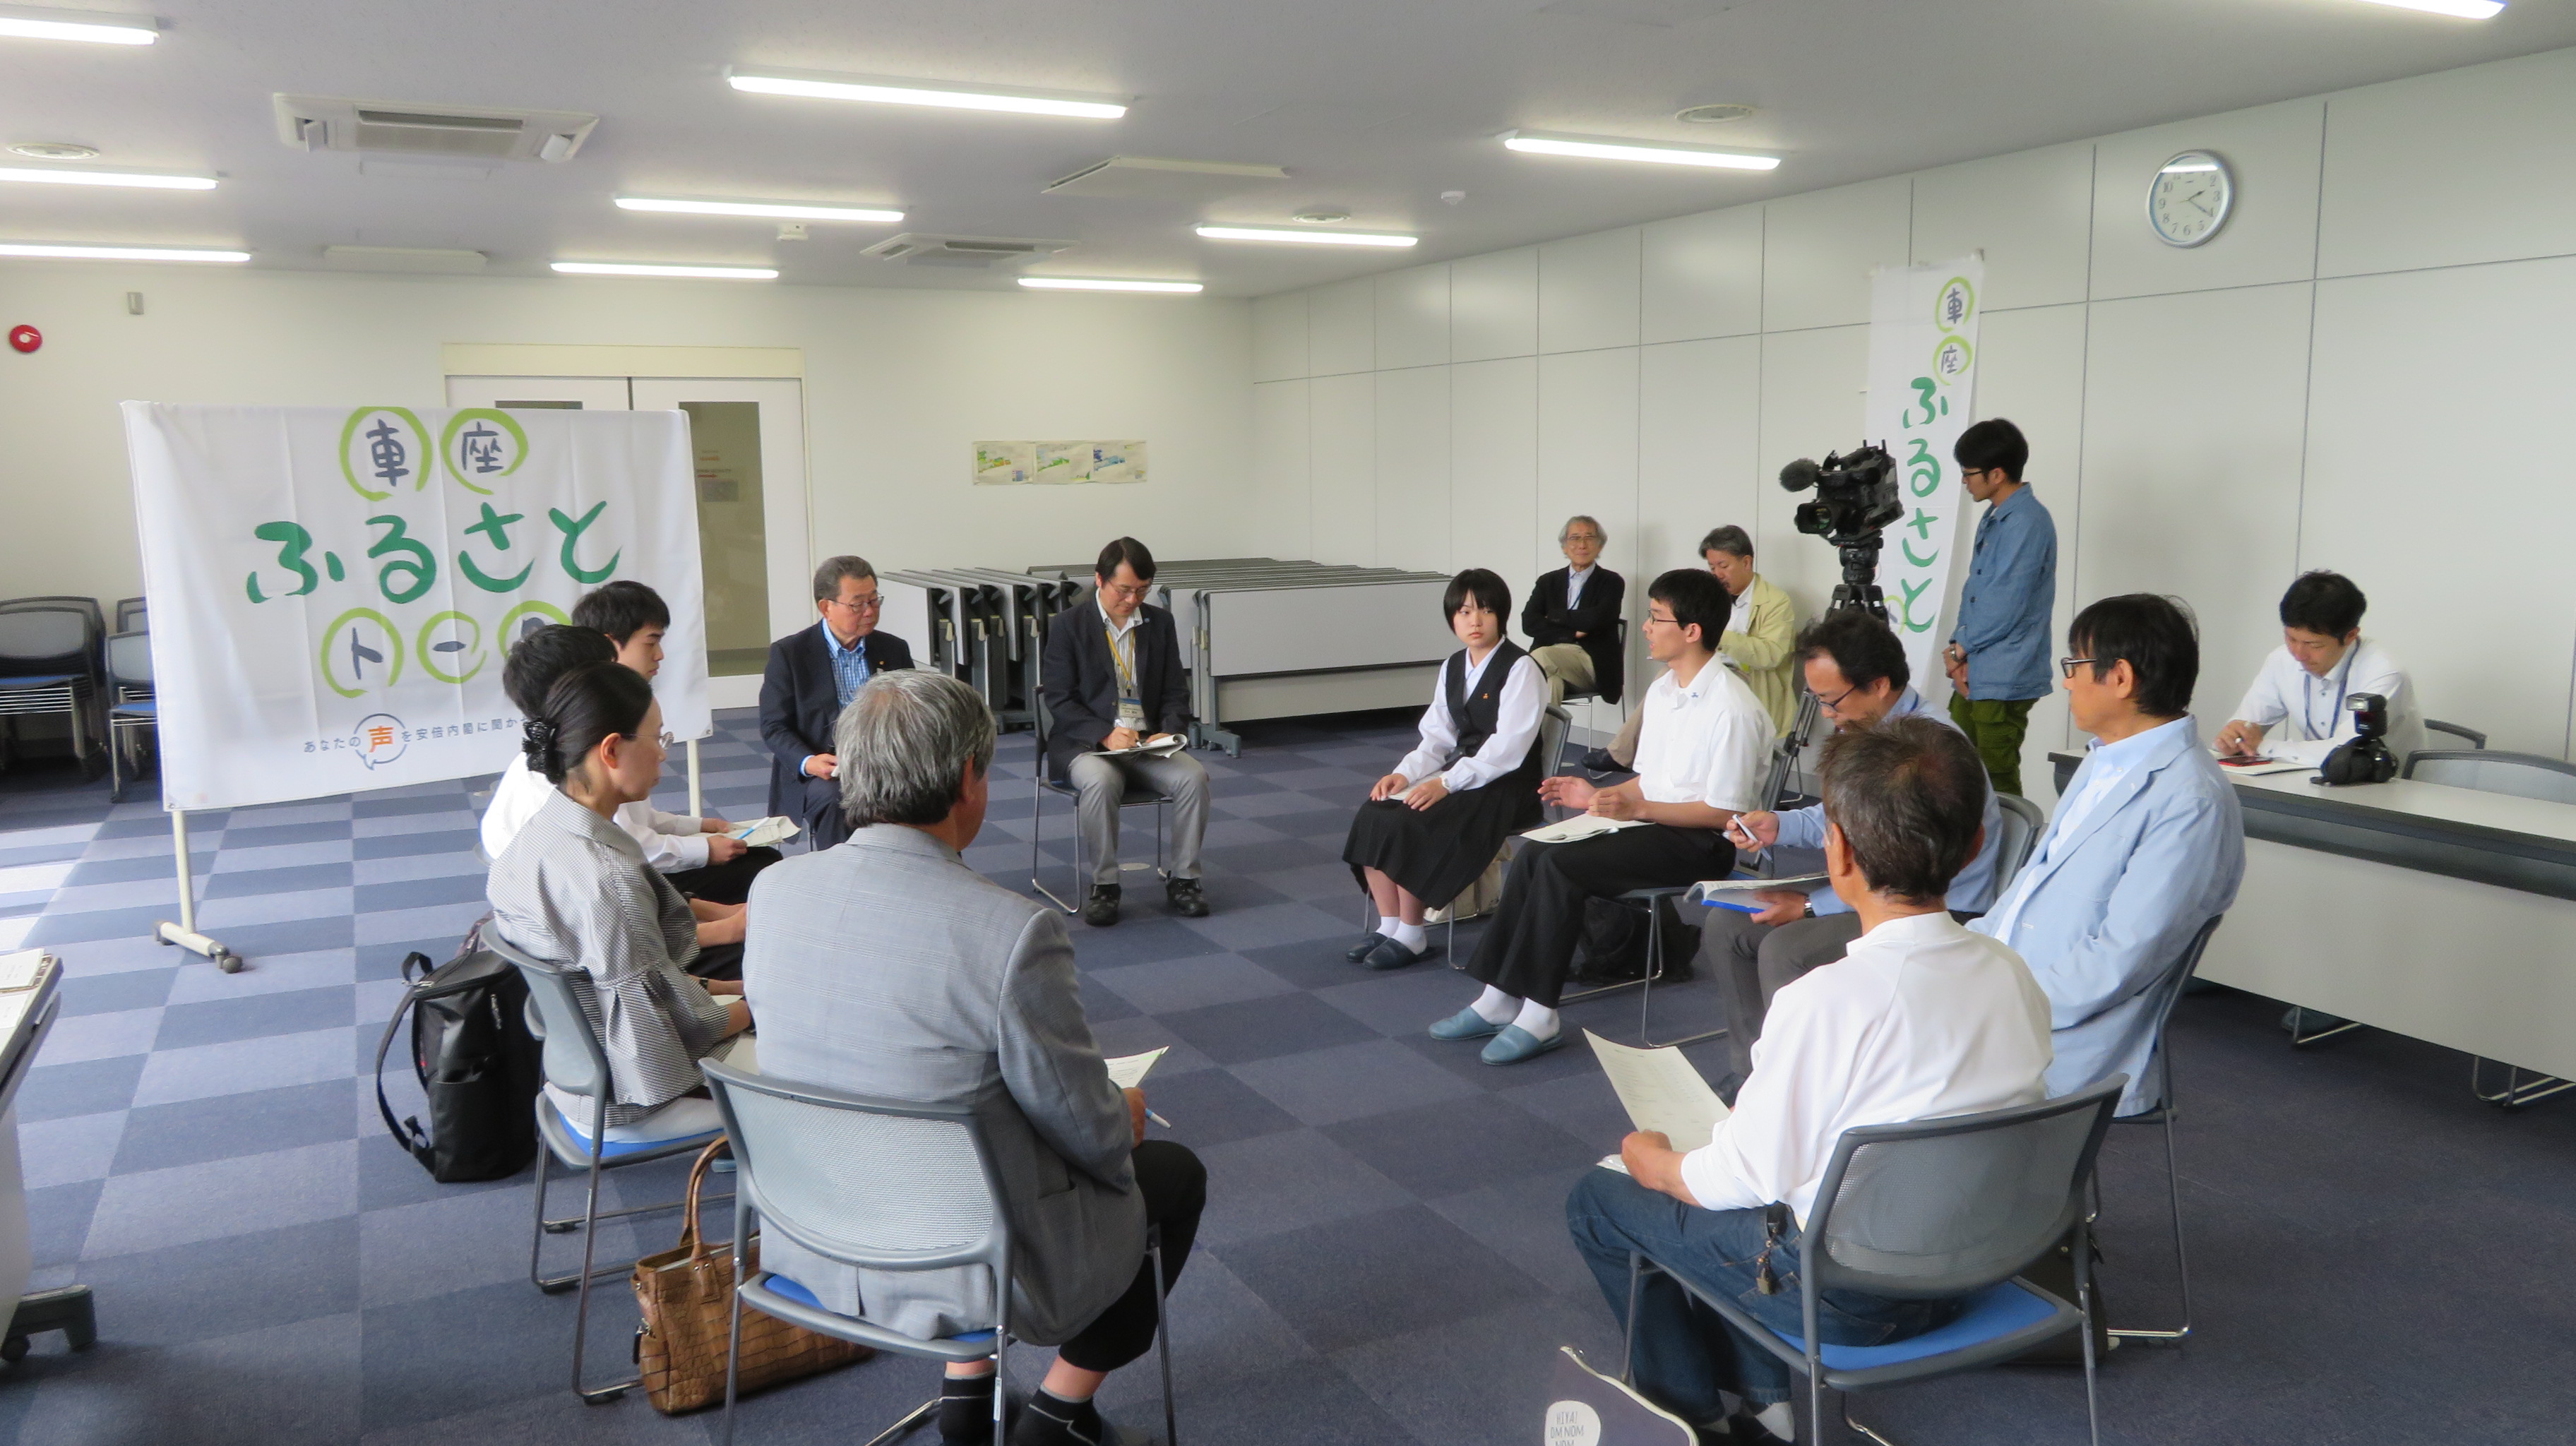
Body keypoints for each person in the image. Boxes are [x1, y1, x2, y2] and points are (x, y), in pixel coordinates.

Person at [744, 669, 1205, 1446]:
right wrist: (1119, 1116)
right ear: (968, 779)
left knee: (943, 1106)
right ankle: (1060, 1413)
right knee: (1170, 1171)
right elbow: (1087, 1132)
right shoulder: (1009, 931)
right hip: (966, 1261)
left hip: (810, 1230)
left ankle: (970, 1397)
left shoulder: (774, 891)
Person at [1566, 716, 2053, 1445]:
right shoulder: (2014, 972)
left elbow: (1736, 1181)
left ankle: (1689, 1412)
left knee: (1603, 1198)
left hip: (1846, 1296)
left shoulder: (1824, 999)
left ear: (1838, 851)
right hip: (1980, 1267)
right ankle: (1765, 1401)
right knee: (1761, 1158)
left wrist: (1654, 1162)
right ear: (1977, 844)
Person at [1431, 568, 1770, 1065]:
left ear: (1692, 631)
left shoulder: (1733, 708)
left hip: (1702, 841)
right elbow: (1653, 780)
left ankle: (1540, 1013)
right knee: (1538, 851)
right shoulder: (1665, 690)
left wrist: (1636, 807)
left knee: (1560, 866)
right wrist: (1599, 795)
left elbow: (1726, 811)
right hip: (1653, 823)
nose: (1647, 629)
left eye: (1656, 619)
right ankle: (1498, 997)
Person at [1699, 609, 2005, 1087]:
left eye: (1832, 700)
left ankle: (1801, 1094)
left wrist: (1808, 907)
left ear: (1879, 685)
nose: (1826, 714)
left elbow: (1910, 868)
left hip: (1931, 906)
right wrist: (1777, 825)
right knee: (1726, 923)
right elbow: (1842, 813)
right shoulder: (1872, 731)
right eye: (1818, 699)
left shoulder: (1928, 750)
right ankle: (1757, 1076)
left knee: (1786, 948)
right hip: (1874, 888)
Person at [1974, 594, 2243, 1114]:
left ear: (2120, 678)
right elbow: (2026, 890)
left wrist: (1992, 1002)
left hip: (2056, 1033)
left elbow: (2119, 960)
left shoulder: (2190, 800)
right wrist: (1954, 958)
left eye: (2074, 665)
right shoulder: (2104, 761)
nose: (2066, 681)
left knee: (1875, 1067)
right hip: (2012, 996)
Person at [486, 660, 751, 1149]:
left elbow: (643, 983)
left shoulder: (540, 833)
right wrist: (756, 1005)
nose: (663, 757)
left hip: (574, 1079)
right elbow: (666, 1034)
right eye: (658, 739)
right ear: (611, 750)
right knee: (805, 1069)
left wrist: (734, 988)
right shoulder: (611, 878)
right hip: (629, 1097)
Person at [479, 624, 749, 970]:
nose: (663, 753)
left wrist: (724, 922)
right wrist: (748, 994)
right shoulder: (604, 868)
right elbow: (645, 1003)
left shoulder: (561, 796)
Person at [1341, 568, 1548, 970]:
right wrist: (1404, 773)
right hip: (1462, 774)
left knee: (1414, 819)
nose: (1475, 621)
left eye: (1486, 611)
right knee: (1375, 811)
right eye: (1465, 611)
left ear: (1501, 616)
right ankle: (1389, 926)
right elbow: (1436, 738)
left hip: (1508, 784)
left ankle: (1414, 933)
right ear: (1452, 618)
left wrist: (1445, 783)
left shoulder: (1521, 668)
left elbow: (1508, 751)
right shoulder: (1453, 666)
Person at [561, 580, 778, 904]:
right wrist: (703, 848)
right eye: (651, 643)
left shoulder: (609, 702)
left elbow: (634, 818)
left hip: (624, 867)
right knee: (762, 869)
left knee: (759, 860)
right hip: (617, 881)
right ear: (610, 645)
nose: (660, 655)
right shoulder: (597, 719)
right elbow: (625, 842)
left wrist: (697, 826)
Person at [1039, 537, 1211, 927]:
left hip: (1145, 745)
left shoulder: (1159, 623)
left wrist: (1167, 732)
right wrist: (1104, 733)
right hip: (1088, 746)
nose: (1133, 599)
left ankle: (1185, 879)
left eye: (1143, 590)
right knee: (1100, 781)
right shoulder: (1069, 626)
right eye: (1125, 590)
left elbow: (1174, 691)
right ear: (1100, 580)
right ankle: (1106, 885)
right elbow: (1060, 700)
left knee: (1194, 778)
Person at [1584, 525, 1794, 770]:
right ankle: (1649, 764)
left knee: (1671, 677)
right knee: (1668, 679)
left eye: (1723, 566)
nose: (1717, 574)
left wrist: (1715, 634)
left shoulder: (1776, 601)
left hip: (1749, 679)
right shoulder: (1710, 595)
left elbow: (1772, 655)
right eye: (1712, 567)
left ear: (1746, 562)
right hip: (1704, 667)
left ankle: (1625, 755)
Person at [758, 555, 914, 852]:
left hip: (885, 763)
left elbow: (911, 714)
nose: (869, 611)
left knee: (936, 787)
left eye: (874, 600)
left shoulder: (893, 649)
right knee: (836, 799)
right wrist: (810, 762)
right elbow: (774, 726)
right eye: (858, 604)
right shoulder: (790, 654)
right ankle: (840, 878)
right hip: (826, 767)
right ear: (826, 607)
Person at [1942, 418, 2056, 797]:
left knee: (1996, 778)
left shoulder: (2027, 521)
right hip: (1977, 664)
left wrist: (1961, 648)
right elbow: (1975, 593)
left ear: (1997, 474)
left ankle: (2015, 856)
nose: (1964, 481)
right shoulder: (1994, 517)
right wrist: (1959, 650)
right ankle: (1972, 853)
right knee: (1954, 766)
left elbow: (2006, 606)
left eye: (1968, 473)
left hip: (2007, 672)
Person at [2214, 570, 2424, 765]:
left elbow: (2349, 752)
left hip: (2392, 788)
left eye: (2313, 645)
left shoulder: (2384, 673)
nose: (2298, 653)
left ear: (2351, 635)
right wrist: (2234, 738)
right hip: (2320, 784)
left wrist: (2262, 746)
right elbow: (2247, 725)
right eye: (2290, 638)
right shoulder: (2281, 660)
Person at [1522, 515, 1625, 706]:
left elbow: (1597, 618)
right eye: (1575, 538)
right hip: (1553, 660)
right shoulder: (1547, 582)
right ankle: (1544, 737)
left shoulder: (1612, 582)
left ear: (1600, 546)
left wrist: (1554, 615)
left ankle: (1504, 719)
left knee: (1537, 658)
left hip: (1590, 663)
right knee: (1552, 683)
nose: (1582, 544)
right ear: (1564, 546)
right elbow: (1529, 623)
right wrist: (1571, 633)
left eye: (1589, 538)